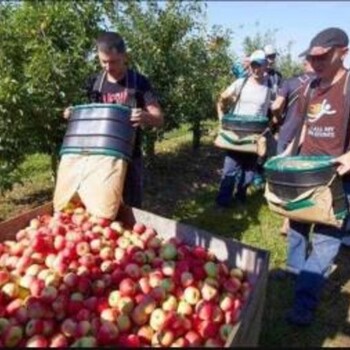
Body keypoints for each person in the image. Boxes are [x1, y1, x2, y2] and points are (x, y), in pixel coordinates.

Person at [278, 27, 350, 326]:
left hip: (337, 177)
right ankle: (294, 274)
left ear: (342, 52)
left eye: (322, 57)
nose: (315, 63)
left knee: (325, 239)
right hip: (305, 171)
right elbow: (306, 126)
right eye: (312, 57)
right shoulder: (310, 87)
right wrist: (289, 154)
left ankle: (303, 303)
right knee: (296, 226)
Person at [62, 31, 164, 209]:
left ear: (125, 56)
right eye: (103, 62)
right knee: (99, 203)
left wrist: (144, 116)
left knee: (130, 207)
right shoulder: (93, 83)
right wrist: (72, 113)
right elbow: (86, 115)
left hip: (130, 157)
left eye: (114, 61)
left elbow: (159, 119)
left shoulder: (139, 82)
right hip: (98, 157)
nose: (108, 67)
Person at [215, 50, 271, 208]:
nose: (256, 69)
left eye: (259, 65)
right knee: (229, 170)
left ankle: (241, 197)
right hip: (235, 135)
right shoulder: (241, 83)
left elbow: (268, 111)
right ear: (250, 66)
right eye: (253, 65)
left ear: (265, 66)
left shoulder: (268, 88)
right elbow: (222, 98)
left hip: (254, 136)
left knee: (248, 173)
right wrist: (221, 119)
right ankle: (222, 202)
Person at [271, 60, 315, 235]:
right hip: (311, 137)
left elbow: (276, 106)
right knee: (301, 178)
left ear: (305, 64)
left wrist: (278, 119)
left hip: (288, 132)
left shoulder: (290, 82)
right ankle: (288, 220)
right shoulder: (323, 84)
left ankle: (282, 209)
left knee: (284, 175)